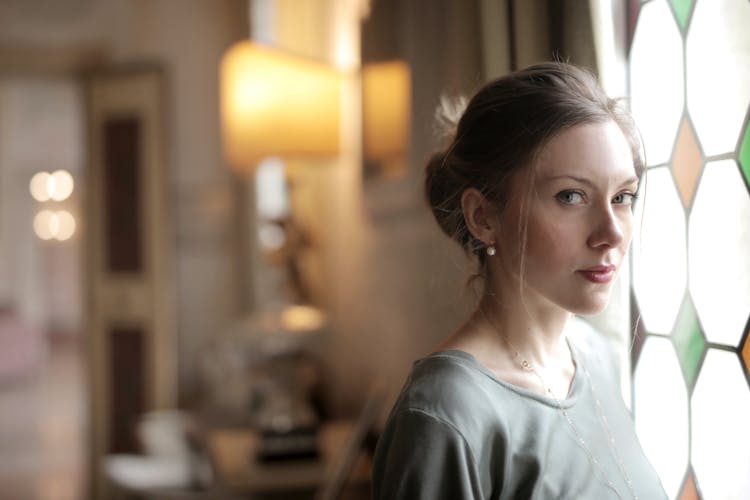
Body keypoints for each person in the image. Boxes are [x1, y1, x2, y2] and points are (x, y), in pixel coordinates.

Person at [371, 62, 667, 500]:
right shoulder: (446, 413)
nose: (612, 233)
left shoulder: (593, 355)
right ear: (483, 217)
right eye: (571, 196)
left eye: (623, 197)